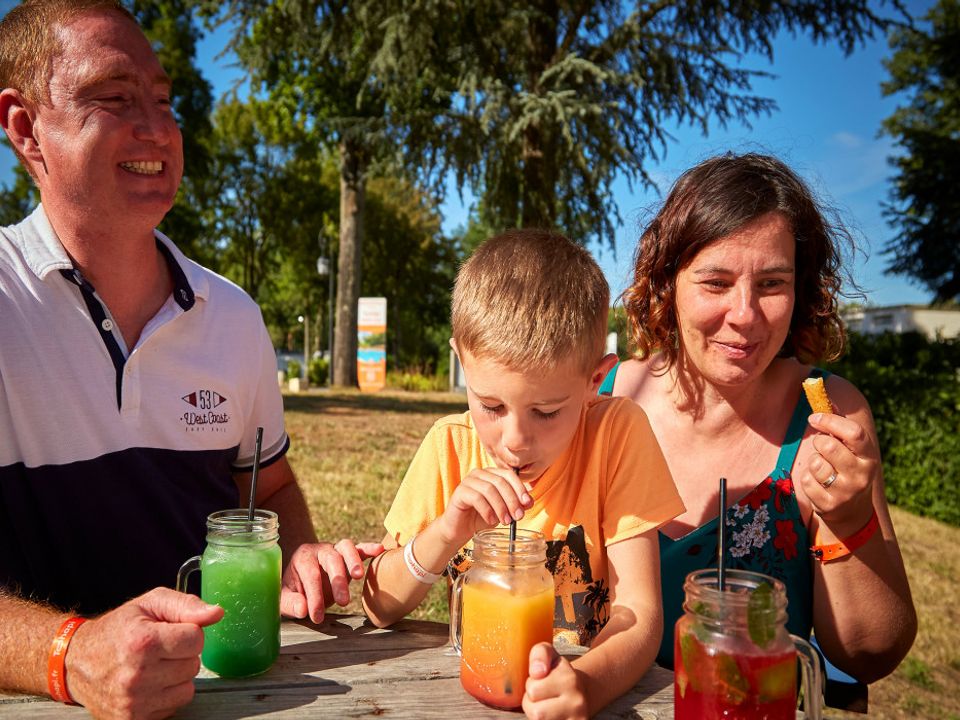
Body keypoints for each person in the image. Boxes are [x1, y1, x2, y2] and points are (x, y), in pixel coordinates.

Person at [0, 1, 381, 717]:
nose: (158, 128)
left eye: (164, 100)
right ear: (25, 128)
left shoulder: (232, 315)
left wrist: (295, 556)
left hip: (231, 696)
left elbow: (267, 492)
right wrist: (70, 653)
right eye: (115, 97)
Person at [600, 153, 917, 694]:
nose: (745, 313)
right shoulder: (600, 399)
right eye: (716, 282)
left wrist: (851, 524)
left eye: (772, 284)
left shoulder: (827, 417)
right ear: (666, 283)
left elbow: (870, 654)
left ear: (801, 291)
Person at [362, 229, 685, 719]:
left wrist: (586, 684)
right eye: (490, 405)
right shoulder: (451, 446)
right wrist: (448, 530)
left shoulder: (616, 434)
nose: (515, 440)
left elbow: (639, 617)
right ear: (461, 362)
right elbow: (379, 604)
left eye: (548, 411)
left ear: (595, 380)